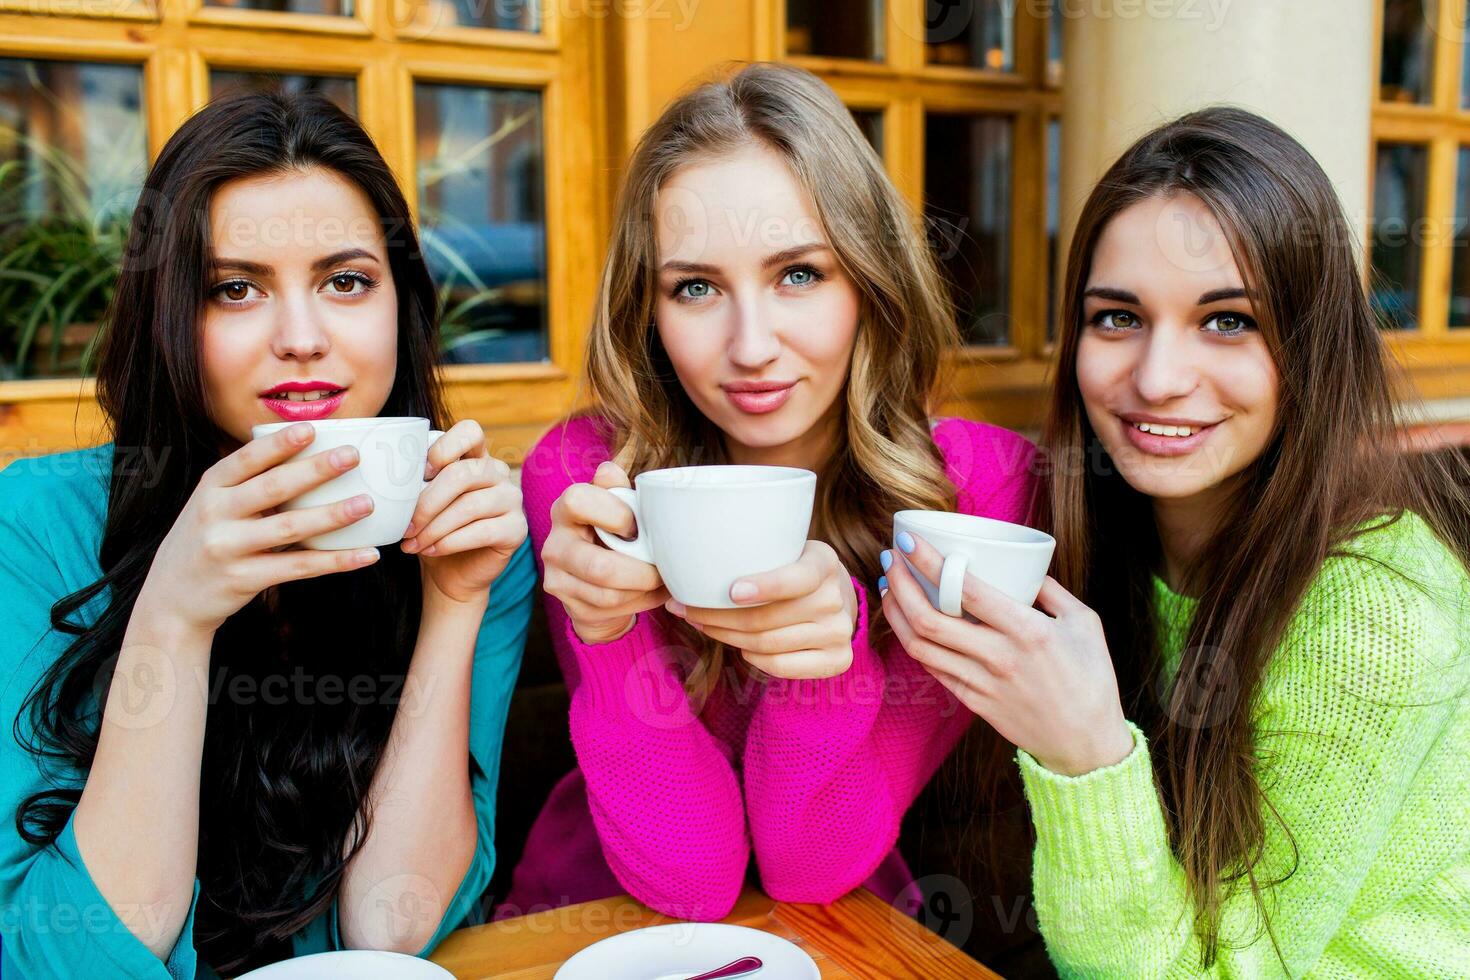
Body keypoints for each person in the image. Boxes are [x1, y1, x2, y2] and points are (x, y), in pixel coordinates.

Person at [882, 107, 1470, 976]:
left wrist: (1085, 757)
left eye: (1228, 321)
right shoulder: (1099, 533)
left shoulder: (1374, 612)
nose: (1157, 380)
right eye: (1117, 317)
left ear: (1310, 348)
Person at [0, 91, 534, 978]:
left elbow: (389, 932)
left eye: (346, 281)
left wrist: (453, 603)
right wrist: (174, 615)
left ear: (401, 307)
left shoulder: (468, 538)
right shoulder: (36, 527)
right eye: (235, 289)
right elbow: (64, 960)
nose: (302, 338)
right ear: (170, 314)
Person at [499, 63, 1041, 923]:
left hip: (839, 932)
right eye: (697, 287)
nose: (750, 346)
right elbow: (689, 877)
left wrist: (831, 660)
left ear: (871, 279)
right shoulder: (587, 470)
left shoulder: (979, 492)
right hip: (591, 921)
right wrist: (603, 634)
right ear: (648, 310)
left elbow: (809, 863)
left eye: (799, 274)